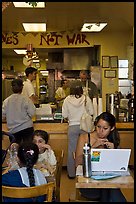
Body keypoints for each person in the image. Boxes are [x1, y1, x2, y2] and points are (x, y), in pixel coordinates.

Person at [75, 112, 127, 202]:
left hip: (109, 181)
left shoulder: (113, 139)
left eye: (105, 128)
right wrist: (92, 148)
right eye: (98, 127)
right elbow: (77, 163)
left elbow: (119, 167)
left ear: (112, 128)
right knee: (110, 191)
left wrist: (114, 151)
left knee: (109, 189)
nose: (100, 131)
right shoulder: (84, 138)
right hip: (89, 185)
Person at [62, 85, 94, 178]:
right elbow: (91, 112)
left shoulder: (67, 100)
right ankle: (84, 171)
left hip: (72, 126)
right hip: (85, 127)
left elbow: (64, 114)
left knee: (72, 150)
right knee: (86, 150)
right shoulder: (86, 99)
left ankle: (71, 174)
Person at [2, 78, 36, 144]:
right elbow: (32, 112)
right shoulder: (26, 99)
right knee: (27, 149)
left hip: (13, 130)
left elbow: (2, 116)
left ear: (12, 88)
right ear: (22, 87)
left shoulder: (6, 101)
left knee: (15, 151)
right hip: (26, 128)